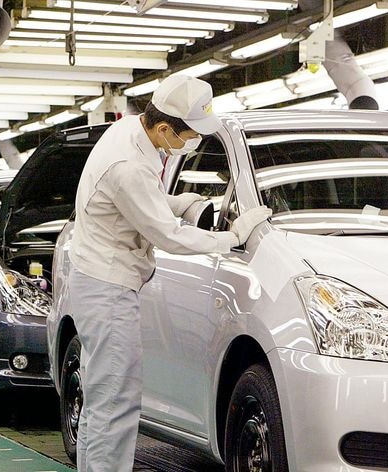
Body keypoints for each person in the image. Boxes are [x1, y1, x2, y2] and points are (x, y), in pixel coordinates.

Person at [68, 75, 271, 471]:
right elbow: (169, 236)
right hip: (107, 287)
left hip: (99, 279)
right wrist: (231, 236)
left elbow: (146, 202)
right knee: (116, 400)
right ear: (164, 128)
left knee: (101, 399)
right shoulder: (129, 165)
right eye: (191, 135)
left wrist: (180, 201)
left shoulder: (132, 130)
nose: (193, 142)